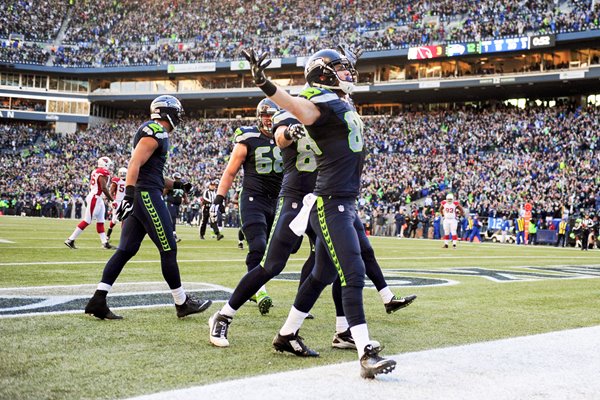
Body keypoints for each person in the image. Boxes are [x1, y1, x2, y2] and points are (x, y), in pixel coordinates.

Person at [241, 47, 396, 379]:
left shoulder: (339, 101)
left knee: (322, 274)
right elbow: (296, 106)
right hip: (330, 202)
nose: (349, 73)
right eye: (340, 68)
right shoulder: (318, 103)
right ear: (323, 73)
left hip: (344, 199)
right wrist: (266, 85)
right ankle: (365, 352)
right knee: (352, 273)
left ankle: (286, 334)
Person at [208, 108, 416, 350]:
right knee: (272, 264)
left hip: (324, 200)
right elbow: (280, 137)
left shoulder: (328, 116)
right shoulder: (289, 115)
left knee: (335, 265)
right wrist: (292, 131)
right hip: (294, 198)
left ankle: (341, 331)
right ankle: (223, 316)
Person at [83, 95, 212, 320]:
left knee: (126, 250)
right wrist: (130, 195)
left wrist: (179, 185)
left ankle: (98, 299)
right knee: (169, 248)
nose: (179, 117)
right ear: (167, 112)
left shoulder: (154, 131)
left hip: (145, 193)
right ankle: (182, 302)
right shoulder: (155, 131)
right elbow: (135, 163)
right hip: (146, 196)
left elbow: (154, 175)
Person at [210, 98, 283, 314]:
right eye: (266, 115)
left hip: (277, 201)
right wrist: (219, 198)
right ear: (259, 117)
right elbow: (231, 170)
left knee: (278, 252)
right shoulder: (248, 137)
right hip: (253, 199)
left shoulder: (285, 138)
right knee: (258, 245)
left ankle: (299, 303)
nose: (269, 120)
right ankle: (259, 291)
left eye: (272, 115)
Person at [64, 156, 116, 250]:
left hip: (97, 198)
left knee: (101, 221)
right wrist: (112, 200)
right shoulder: (102, 172)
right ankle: (70, 239)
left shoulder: (95, 171)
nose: (110, 167)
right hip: (95, 198)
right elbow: (103, 187)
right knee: (87, 220)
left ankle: (104, 243)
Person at [163, 171, 187, 243]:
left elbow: (184, 194)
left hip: (177, 205)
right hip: (171, 203)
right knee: (172, 218)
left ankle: (169, 234)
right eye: (176, 178)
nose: (177, 180)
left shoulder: (181, 186)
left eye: (178, 179)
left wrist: (186, 200)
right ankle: (173, 235)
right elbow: (163, 193)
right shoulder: (170, 185)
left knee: (173, 219)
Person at [106, 167, 127, 242]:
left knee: (125, 219)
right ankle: (108, 235)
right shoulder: (116, 181)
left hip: (125, 201)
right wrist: (113, 201)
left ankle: (124, 237)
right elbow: (111, 192)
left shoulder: (128, 181)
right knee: (114, 220)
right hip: (117, 202)